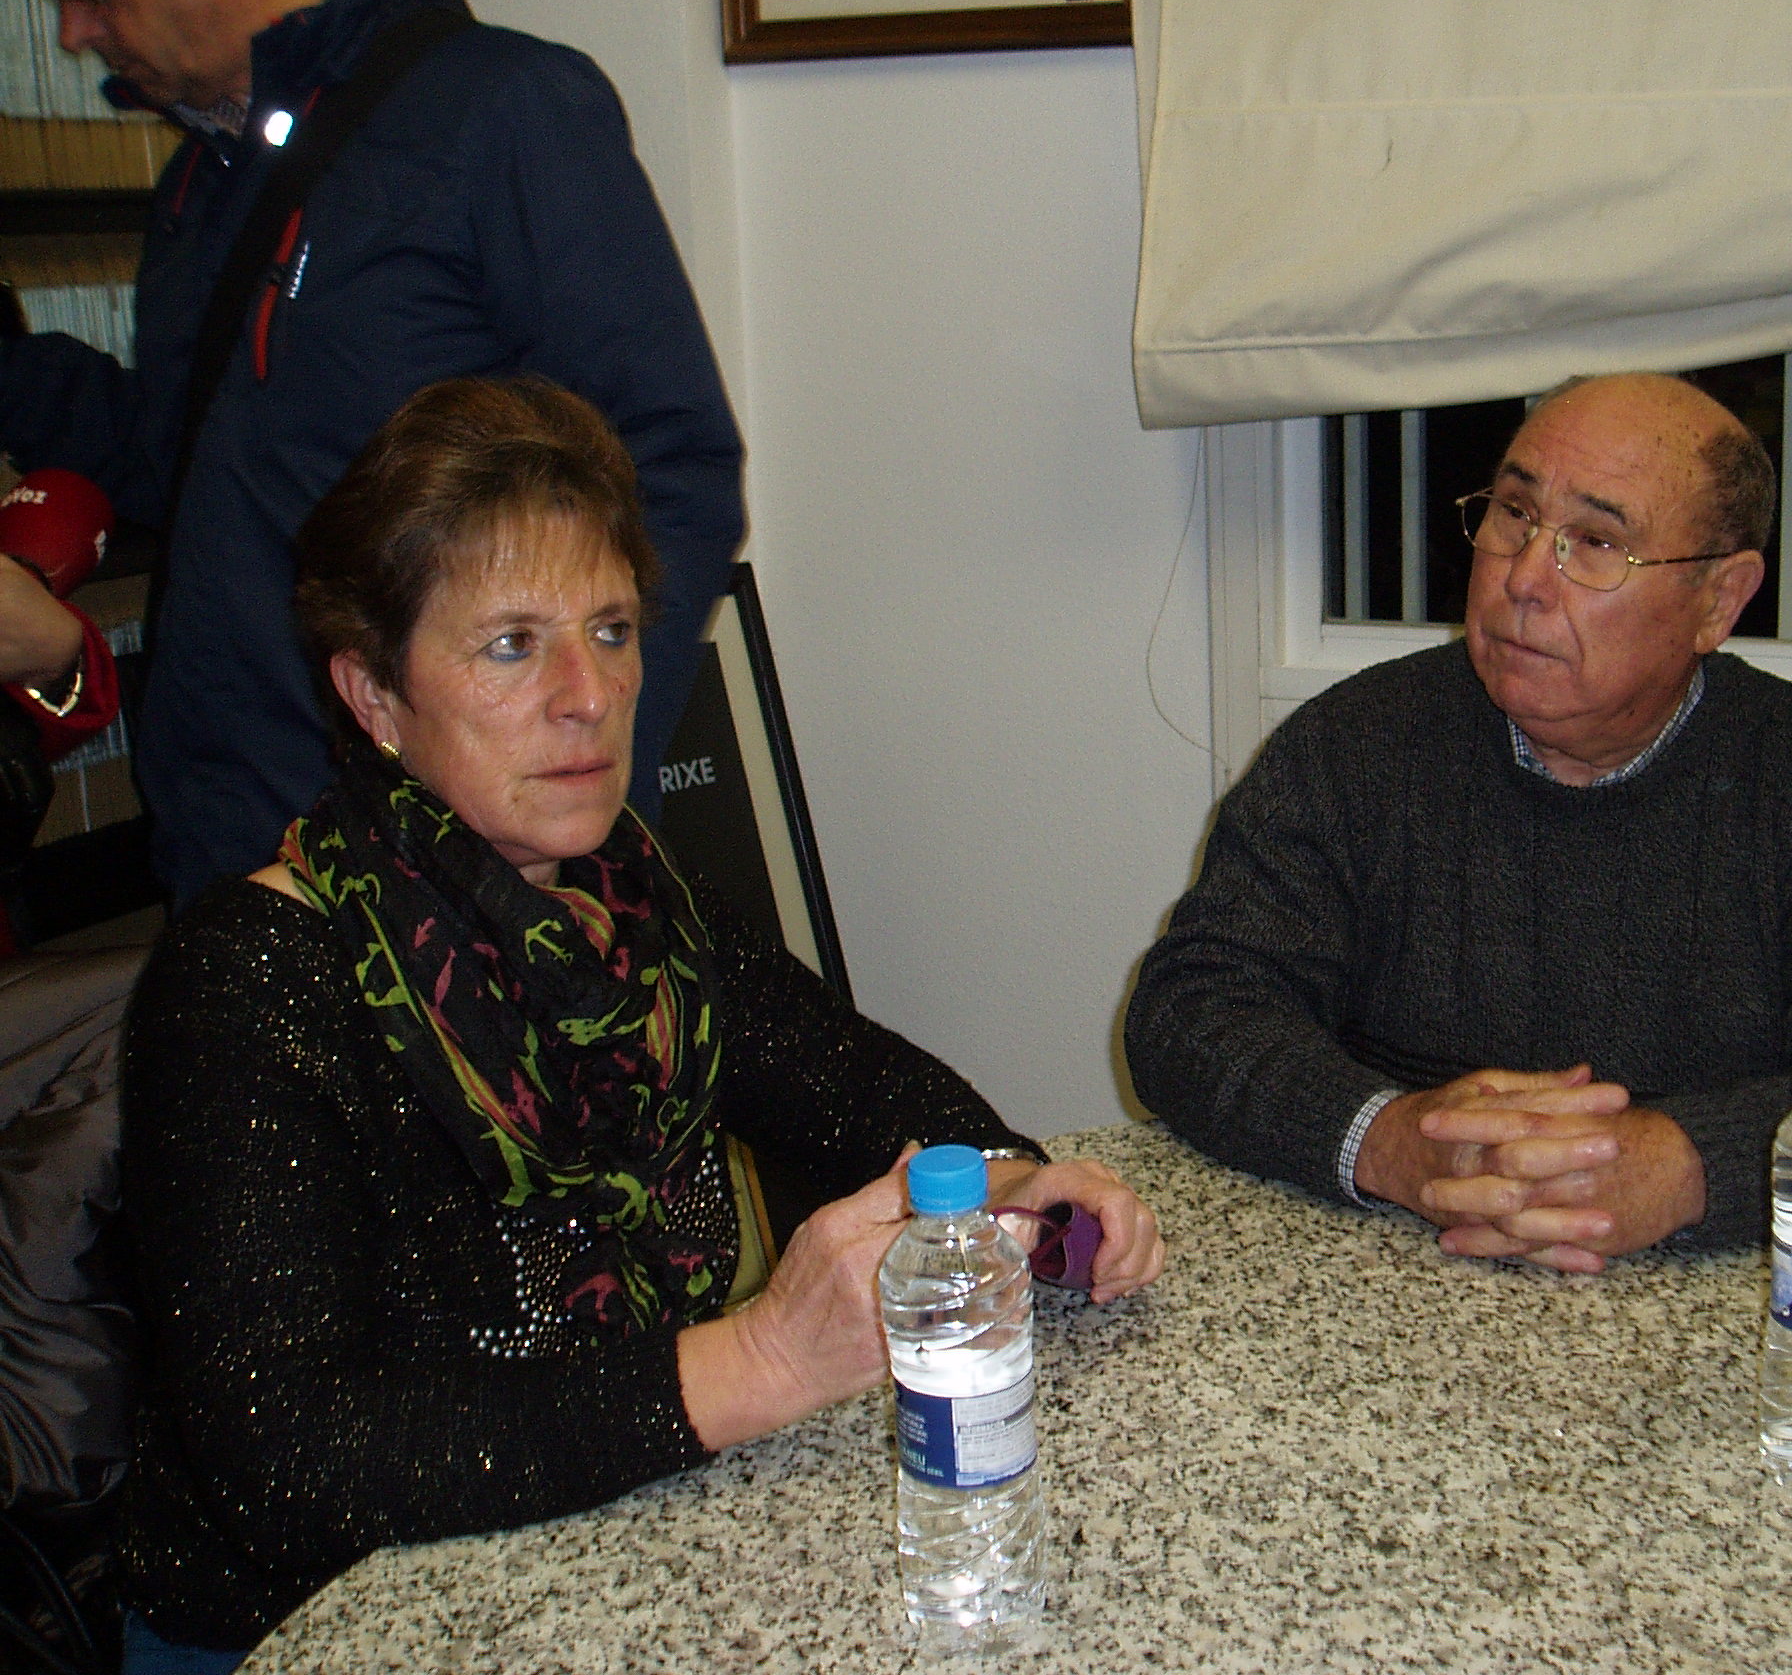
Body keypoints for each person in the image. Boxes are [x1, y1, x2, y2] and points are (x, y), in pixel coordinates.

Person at [116, 378, 1165, 1669]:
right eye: (512, 645)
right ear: (374, 697)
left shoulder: (636, 906)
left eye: (610, 631)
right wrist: (762, 1361)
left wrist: (1010, 1185)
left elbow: (864, 1092)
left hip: (595, 1552)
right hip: (299, 1629)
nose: (589, 693)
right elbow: (288, 1461)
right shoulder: (247, 978)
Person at [1125, 374, 1792, 1271]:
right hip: (1397, 1265)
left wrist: (1694, 1165)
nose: (1524, 577)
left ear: (1718, 601)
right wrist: (1387, 1140)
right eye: (1515, 514)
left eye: (1597, 542)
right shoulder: (1354, 746)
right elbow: (1191, 1009)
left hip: (1708, 1302)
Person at [0, 0, 743, 902]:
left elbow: (673, 467)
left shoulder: (500, 108)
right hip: (237, 841)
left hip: (446, 878)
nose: (72, 31)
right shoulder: (201, 180)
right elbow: (191, 472)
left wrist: (554, 797)